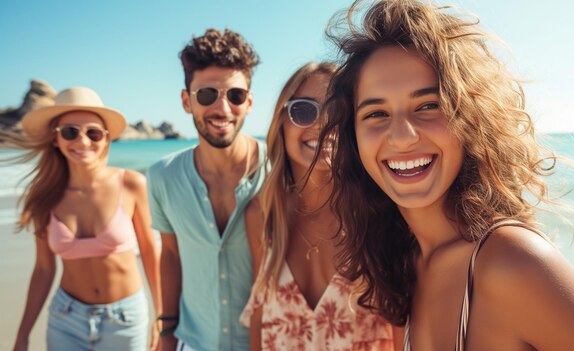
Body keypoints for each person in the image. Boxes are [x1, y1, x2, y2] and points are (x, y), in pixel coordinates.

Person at [316, 1, 574, 350]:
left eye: (429, 105)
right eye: (376, 113)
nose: (402, 136)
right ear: (353, 139)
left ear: (469, 118)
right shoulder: (404, 267)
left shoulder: (510, 261)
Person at [239, 62, 399, 350]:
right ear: (282, 122)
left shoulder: (382, 214)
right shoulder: (262, 215)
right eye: (303, 110)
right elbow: (259, 315)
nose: (323, 124)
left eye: (337, 111)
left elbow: (404, 328)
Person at [8, 87, 162, 351]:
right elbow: (44, 269)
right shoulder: (44, 196)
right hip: (66, 319)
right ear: (56, 139)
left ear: (106, 139)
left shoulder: (131, 185)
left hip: (126, 320)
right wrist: (22, 335)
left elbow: (151, 253)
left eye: (93, 133)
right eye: (70, 132)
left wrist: (161, 318)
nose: (82, 141)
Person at [147, 28, 265, 351]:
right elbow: (170, 256)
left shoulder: (280, 170)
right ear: (187, 101)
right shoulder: (162, 177)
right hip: (193, 342)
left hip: (268, 342)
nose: (223, 109)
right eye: (207, 95)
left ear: (250, 102)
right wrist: (166, 334)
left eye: (235, 95)